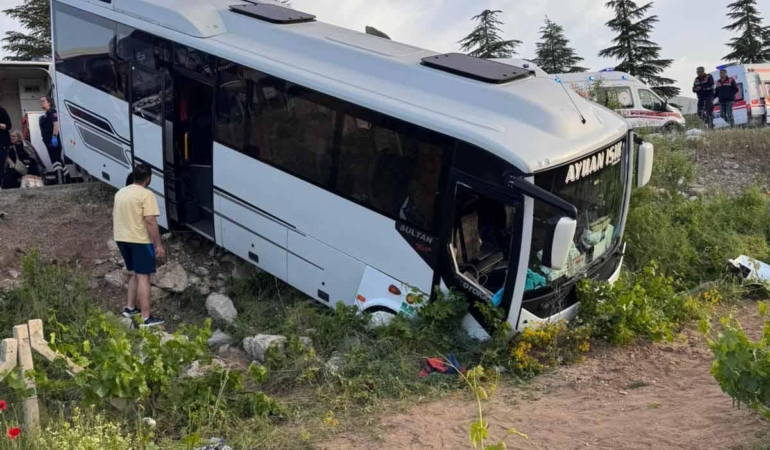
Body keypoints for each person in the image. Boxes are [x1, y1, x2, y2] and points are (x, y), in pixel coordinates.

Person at [113, 164, 166, 327]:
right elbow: (150, 220)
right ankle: (145, 318)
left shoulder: (121, 192)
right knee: (144, 277)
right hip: (139, 240)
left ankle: (129, 308)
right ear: (148, 178)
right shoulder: (146, 194)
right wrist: (158, 244)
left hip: (121, 238)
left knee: (135, 273)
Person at [39, 96, 68, 184]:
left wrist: (54, 137)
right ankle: (67, 178)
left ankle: (60, 181)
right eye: (40, 101)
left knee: (55, 161)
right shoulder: (45, 114)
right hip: (47, 140)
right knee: (58, 159)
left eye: (43, 101)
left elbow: (56, 124)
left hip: (52, 139)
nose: (41, 102)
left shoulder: (52, 112)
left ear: (49, 102)